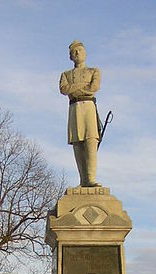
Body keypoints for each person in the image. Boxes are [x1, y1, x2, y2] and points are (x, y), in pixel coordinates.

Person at [59, 40, 101, 187]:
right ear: (70, 56)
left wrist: (74, 88)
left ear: (85, 53)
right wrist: (83, 86)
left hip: (89, 106)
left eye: (79, 51)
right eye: (73, 52)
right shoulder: (66, 74)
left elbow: (93, 88)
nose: (77, 54)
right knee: (77, 142)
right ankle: (83, 180)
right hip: (74, 107)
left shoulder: (93, 71)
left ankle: (90, 179)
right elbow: (64, 89)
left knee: (91, 140)